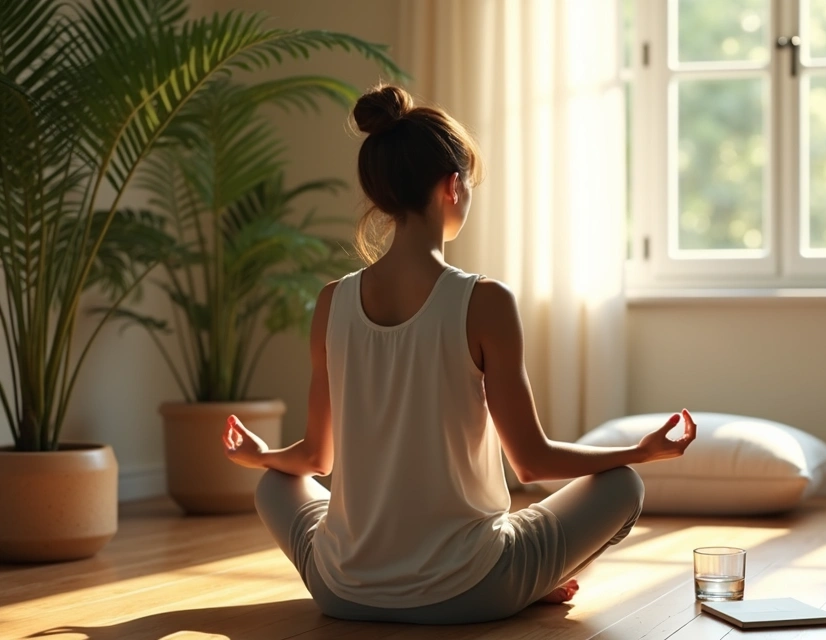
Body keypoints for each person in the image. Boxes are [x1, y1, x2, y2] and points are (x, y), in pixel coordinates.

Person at [220, 84, 698, 625]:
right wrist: (640, 451)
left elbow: (314, 460)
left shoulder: (332, 302)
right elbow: (533, 463)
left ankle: (515, 580)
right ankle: (531, 583)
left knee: (274, 484)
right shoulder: (484, 301)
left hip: (342, 591)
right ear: (452, 187)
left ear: (381, 196)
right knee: (623, 485)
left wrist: (261, 456)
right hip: (472, 591)